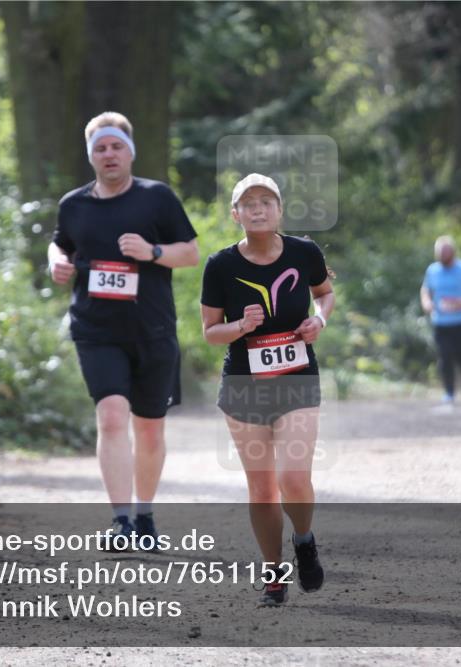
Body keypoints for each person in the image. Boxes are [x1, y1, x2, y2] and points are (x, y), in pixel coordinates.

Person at [48, 111, 199, 549]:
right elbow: (61, 241)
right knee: (112, 416)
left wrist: (152, 251)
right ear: (90, 155)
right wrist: (55, 259)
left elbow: (189, 253)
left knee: (149, 428)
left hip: (152, 329)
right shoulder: (73, 204)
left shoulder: (157, 199)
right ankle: (120, 521)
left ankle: (145, 514)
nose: (108, 154)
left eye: (116, 146)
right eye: (100, 148)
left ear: (129, 151)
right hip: (95, 329)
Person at [200, 173, 335, 607]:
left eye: (267, 201)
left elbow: (325, 294)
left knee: (293, 478)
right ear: (235, 213)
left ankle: (304, 538)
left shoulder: (303, 252)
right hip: (243, 384)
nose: (258, 208)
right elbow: (210, 332)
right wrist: (239, 327)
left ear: (279, 210)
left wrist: (320, 320)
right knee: (261, 489)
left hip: (297, 378)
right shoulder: (220, 265)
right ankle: (273, 572)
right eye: (248, 203)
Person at [419, 235, 461, 403]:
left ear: (453, 252)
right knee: (445, 357)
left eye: (446, 253)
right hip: (441, 322)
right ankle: (449, 392)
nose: (443, 256)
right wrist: (427, 303)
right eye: (440, 253)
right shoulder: (432, 270)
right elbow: (425, 289)